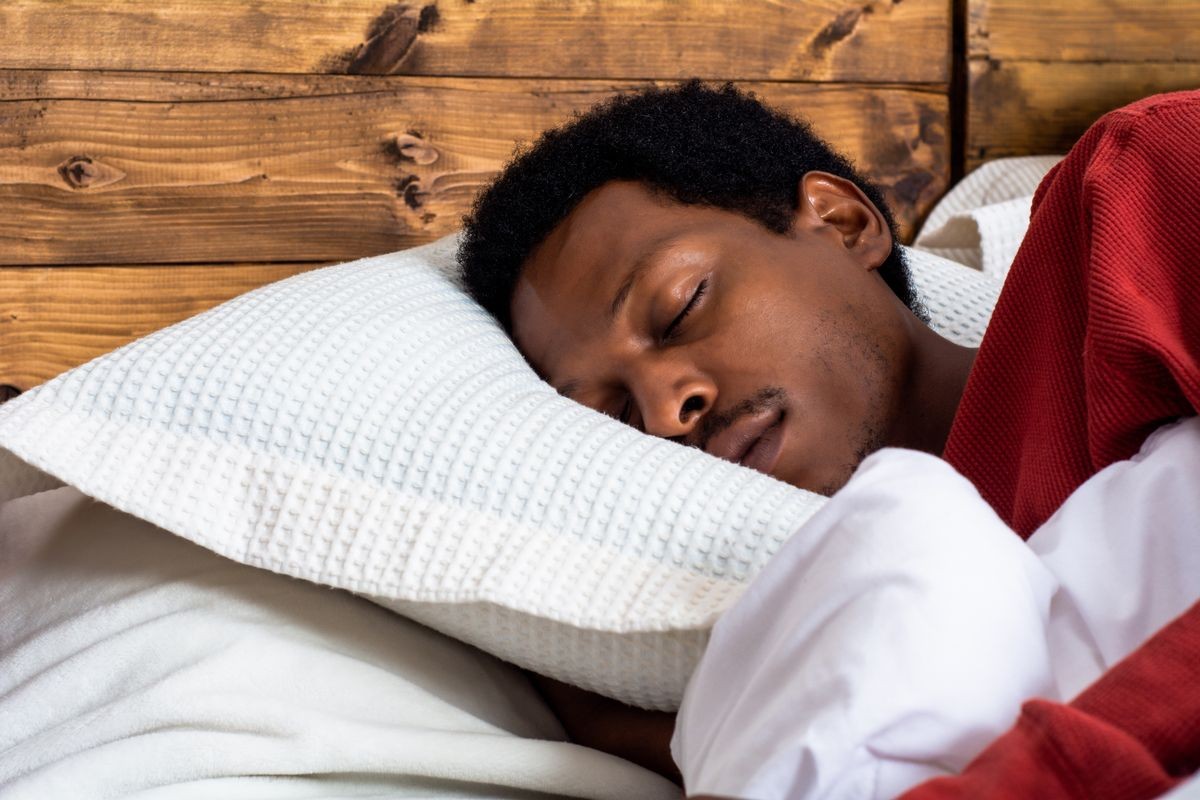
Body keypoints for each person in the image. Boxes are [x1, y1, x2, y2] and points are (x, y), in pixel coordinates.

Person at [457, 81, 1200, 797]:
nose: (663, 410)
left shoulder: (1133, 191)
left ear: (844, 223)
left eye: (681, 308)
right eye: (616, 415)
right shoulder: (818, 641)